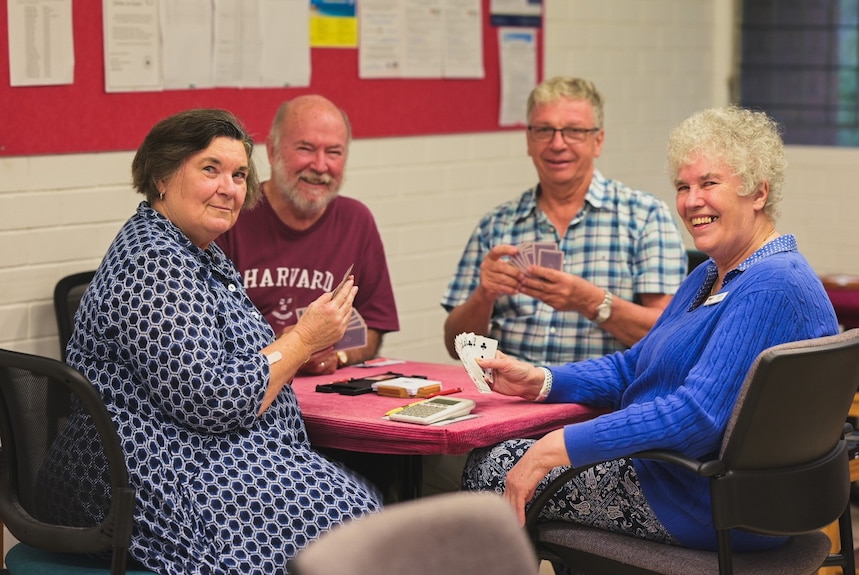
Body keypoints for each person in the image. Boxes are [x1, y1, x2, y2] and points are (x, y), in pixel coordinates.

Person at [461, 105, 840, 559]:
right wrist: (542, 380)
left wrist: (555, 448)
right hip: (705, 487)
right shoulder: (711, 276)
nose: (691, 201)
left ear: (758, 192)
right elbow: (635, 365)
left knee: (490, 466)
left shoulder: (772, 284)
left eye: (709, 183)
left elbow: (696, 417)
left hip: (703, 500)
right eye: (683, 186)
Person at [36, 109, 382, 575]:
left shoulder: (194, 251)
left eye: (240, 174)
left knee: (360, 507)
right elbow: (213, 401)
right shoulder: (155, 263)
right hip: (144, 479)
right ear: (161, 177)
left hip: (194, 460)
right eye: (210, 170)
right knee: (349, 520)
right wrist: (302, 340)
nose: (230, 187)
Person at [441, 76, 687, 364]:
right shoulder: (496, 225)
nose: (557, 144)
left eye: (573, 131)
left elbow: (669, 337)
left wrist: (591, 302)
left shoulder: (645, 217)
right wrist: (484, 296)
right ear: (529, 141)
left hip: (602, 400)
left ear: (598, 141)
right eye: (544, 130)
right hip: (512, 397)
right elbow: (455, 346)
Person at [216, 94, 399, 376]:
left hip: (326, 393)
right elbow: (208, 338)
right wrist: (292, 348)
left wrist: (337, 355)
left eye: (334, 153)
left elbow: (373, 325)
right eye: (306, 149)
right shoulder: (231, 216)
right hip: (250, 392)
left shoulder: (356, 220)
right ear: (273, 152)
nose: (320, 165)